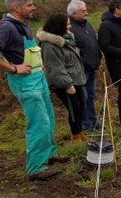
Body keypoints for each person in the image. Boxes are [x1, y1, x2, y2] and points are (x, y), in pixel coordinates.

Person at [0, 0, 67, 181]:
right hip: (26, 83)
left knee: (49, 118)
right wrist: (12, 68)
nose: (33, 7)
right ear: (16, 8)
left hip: (37, 78)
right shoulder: (6, 28)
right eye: (29, 5)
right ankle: (36, 168)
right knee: (38, 123)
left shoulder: (22, 25)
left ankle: (48, 154)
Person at [37, 13, 87, 143]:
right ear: (59, 26)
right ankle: (75, 137)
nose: (70, 26)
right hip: (65, 83)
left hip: (76, 79)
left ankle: (80, 132)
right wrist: (68, 85)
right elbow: (55, 68)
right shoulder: (49, 45)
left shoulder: (67, 39)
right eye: (67, 24)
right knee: (74, 108)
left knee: (80, 106)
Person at [68, 0, 101, 132]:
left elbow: (93, 42)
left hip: (92, 67)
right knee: (84, 97)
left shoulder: (86, 25)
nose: (86, 13)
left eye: (86, 10)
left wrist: (98, 56)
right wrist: (84, 62)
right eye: (83, 11)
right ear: (74, 14)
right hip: (81, 70)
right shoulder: (71, 29)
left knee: (91, 95)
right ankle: (87, 124)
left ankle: (93, 120)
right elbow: (72, 51)